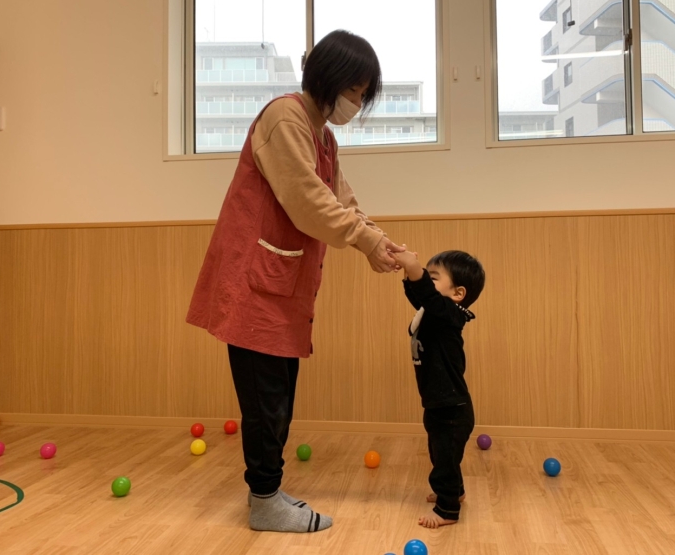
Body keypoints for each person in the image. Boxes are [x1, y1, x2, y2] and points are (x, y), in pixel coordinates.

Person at [186, 30, 403, 533]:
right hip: (255, 284)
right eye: (354, 91)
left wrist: (378, 240)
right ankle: (264, 501)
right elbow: (307, 201)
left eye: (362, 95)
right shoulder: (284, 117)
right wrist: (367, 243)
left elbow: (341, 199)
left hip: (281, 286)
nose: (357, 102)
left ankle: (269, 493)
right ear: (328, 80)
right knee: (266, 402)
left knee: (279, 398)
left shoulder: (323, 135)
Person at [390, 248, 486, 528]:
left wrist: (414, 269)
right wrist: (410, 274)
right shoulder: (433, 311)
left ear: (458, 293)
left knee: (444, 457)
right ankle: (455, 492)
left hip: (451, 406)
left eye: (432, 278)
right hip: (438, 401)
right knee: (441, 452)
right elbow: (421, 296)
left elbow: (429, 297)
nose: (425, 284)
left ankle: (447, 510)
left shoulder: (450, 314)